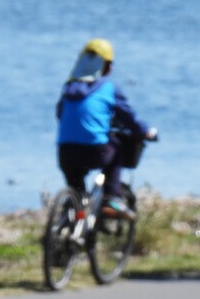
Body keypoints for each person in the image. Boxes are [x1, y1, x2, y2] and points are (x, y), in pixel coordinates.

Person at [56, 38, 157, 220]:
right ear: (107, 67)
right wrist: (145, 131)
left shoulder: (68, 88)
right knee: (116, 151)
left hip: (65, 151)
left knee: (76, 190)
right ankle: (110, 199)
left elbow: (60, 114)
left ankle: (68, 222)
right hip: (95, 151)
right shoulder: (108, 88)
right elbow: (128, 116)